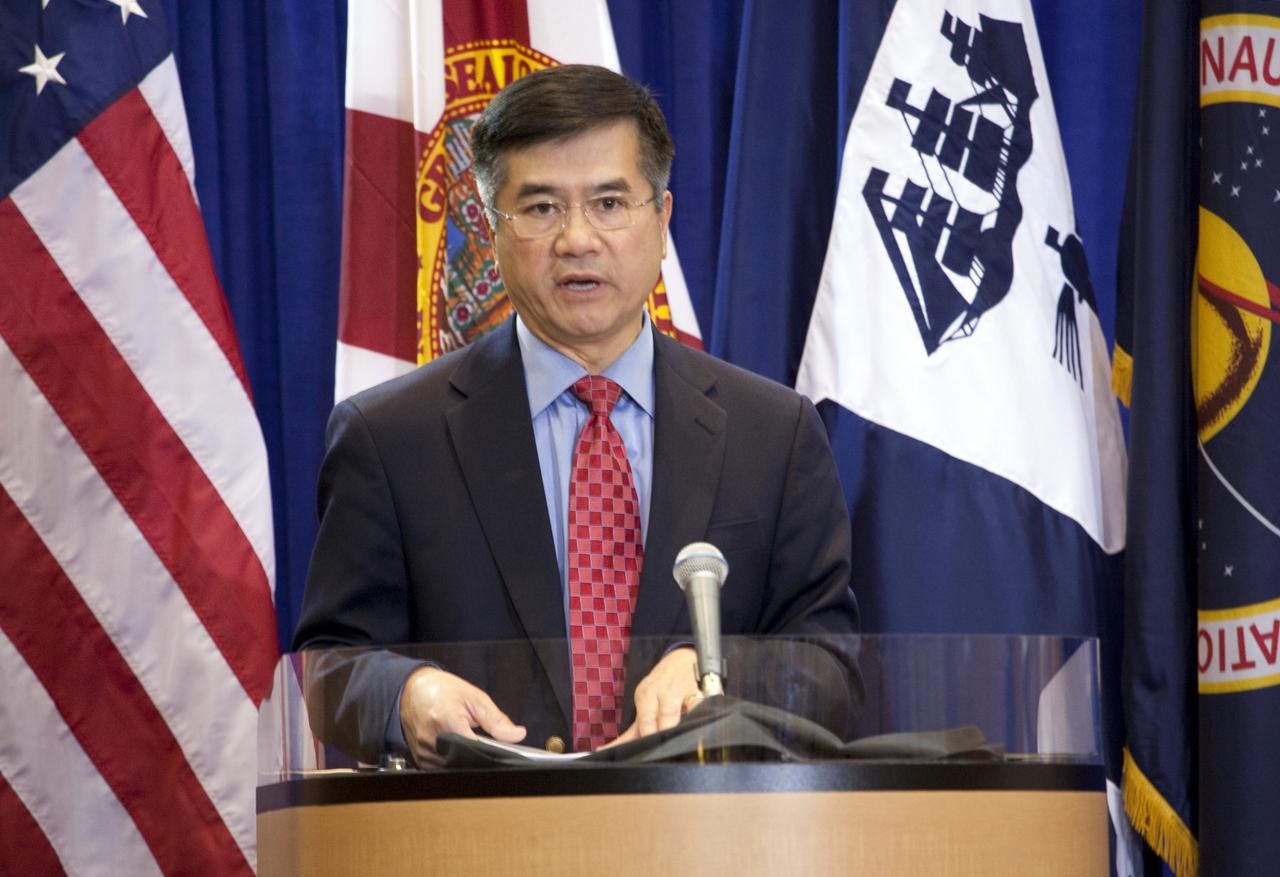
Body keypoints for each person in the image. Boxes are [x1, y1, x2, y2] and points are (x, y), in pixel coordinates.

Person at [293, 64, 858, 766]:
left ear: (661, 219)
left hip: (709, 844)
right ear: (492, 231)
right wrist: (409, 691)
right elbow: (331, 666)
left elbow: (832, 662)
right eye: (540, 208)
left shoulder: (773, 433)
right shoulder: (391, 438)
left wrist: (722, 672)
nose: (577, 239)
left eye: (610, 202)